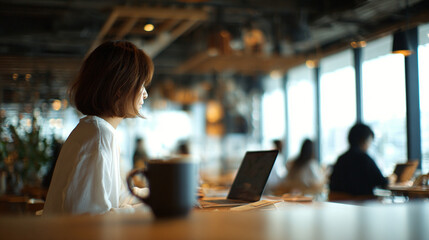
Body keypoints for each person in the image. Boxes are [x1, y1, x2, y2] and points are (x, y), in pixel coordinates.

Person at [43, 40, 154, 215]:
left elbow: (120, 197)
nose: (145, 93)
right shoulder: (99, 135)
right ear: (120, 88)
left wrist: (165, 195)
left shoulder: (95, 129)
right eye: (141, 85)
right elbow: (90, 219)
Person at [329, 123, 388, 200]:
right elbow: (382, 183)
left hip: (339, 206)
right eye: (370, 141)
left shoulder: (341, 159)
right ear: (364, 140)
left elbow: (332, 186)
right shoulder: (365, 159)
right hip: (362, 206)